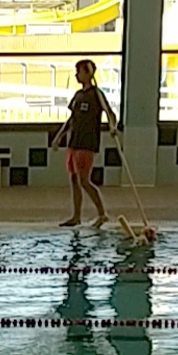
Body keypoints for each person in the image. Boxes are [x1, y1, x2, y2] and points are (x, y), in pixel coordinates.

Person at [51, 58, 117, 228]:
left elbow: (110, 114)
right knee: (74, 179)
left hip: (87, 143)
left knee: (84, 180)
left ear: (88, 73)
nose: (76, 75)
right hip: (74, 142)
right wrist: (59, 136)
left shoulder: (97, 95)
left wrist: (113, 127)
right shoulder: (78, 96)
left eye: (79, 72)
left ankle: (102, 213)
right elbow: (72, 119)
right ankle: (76, 216)